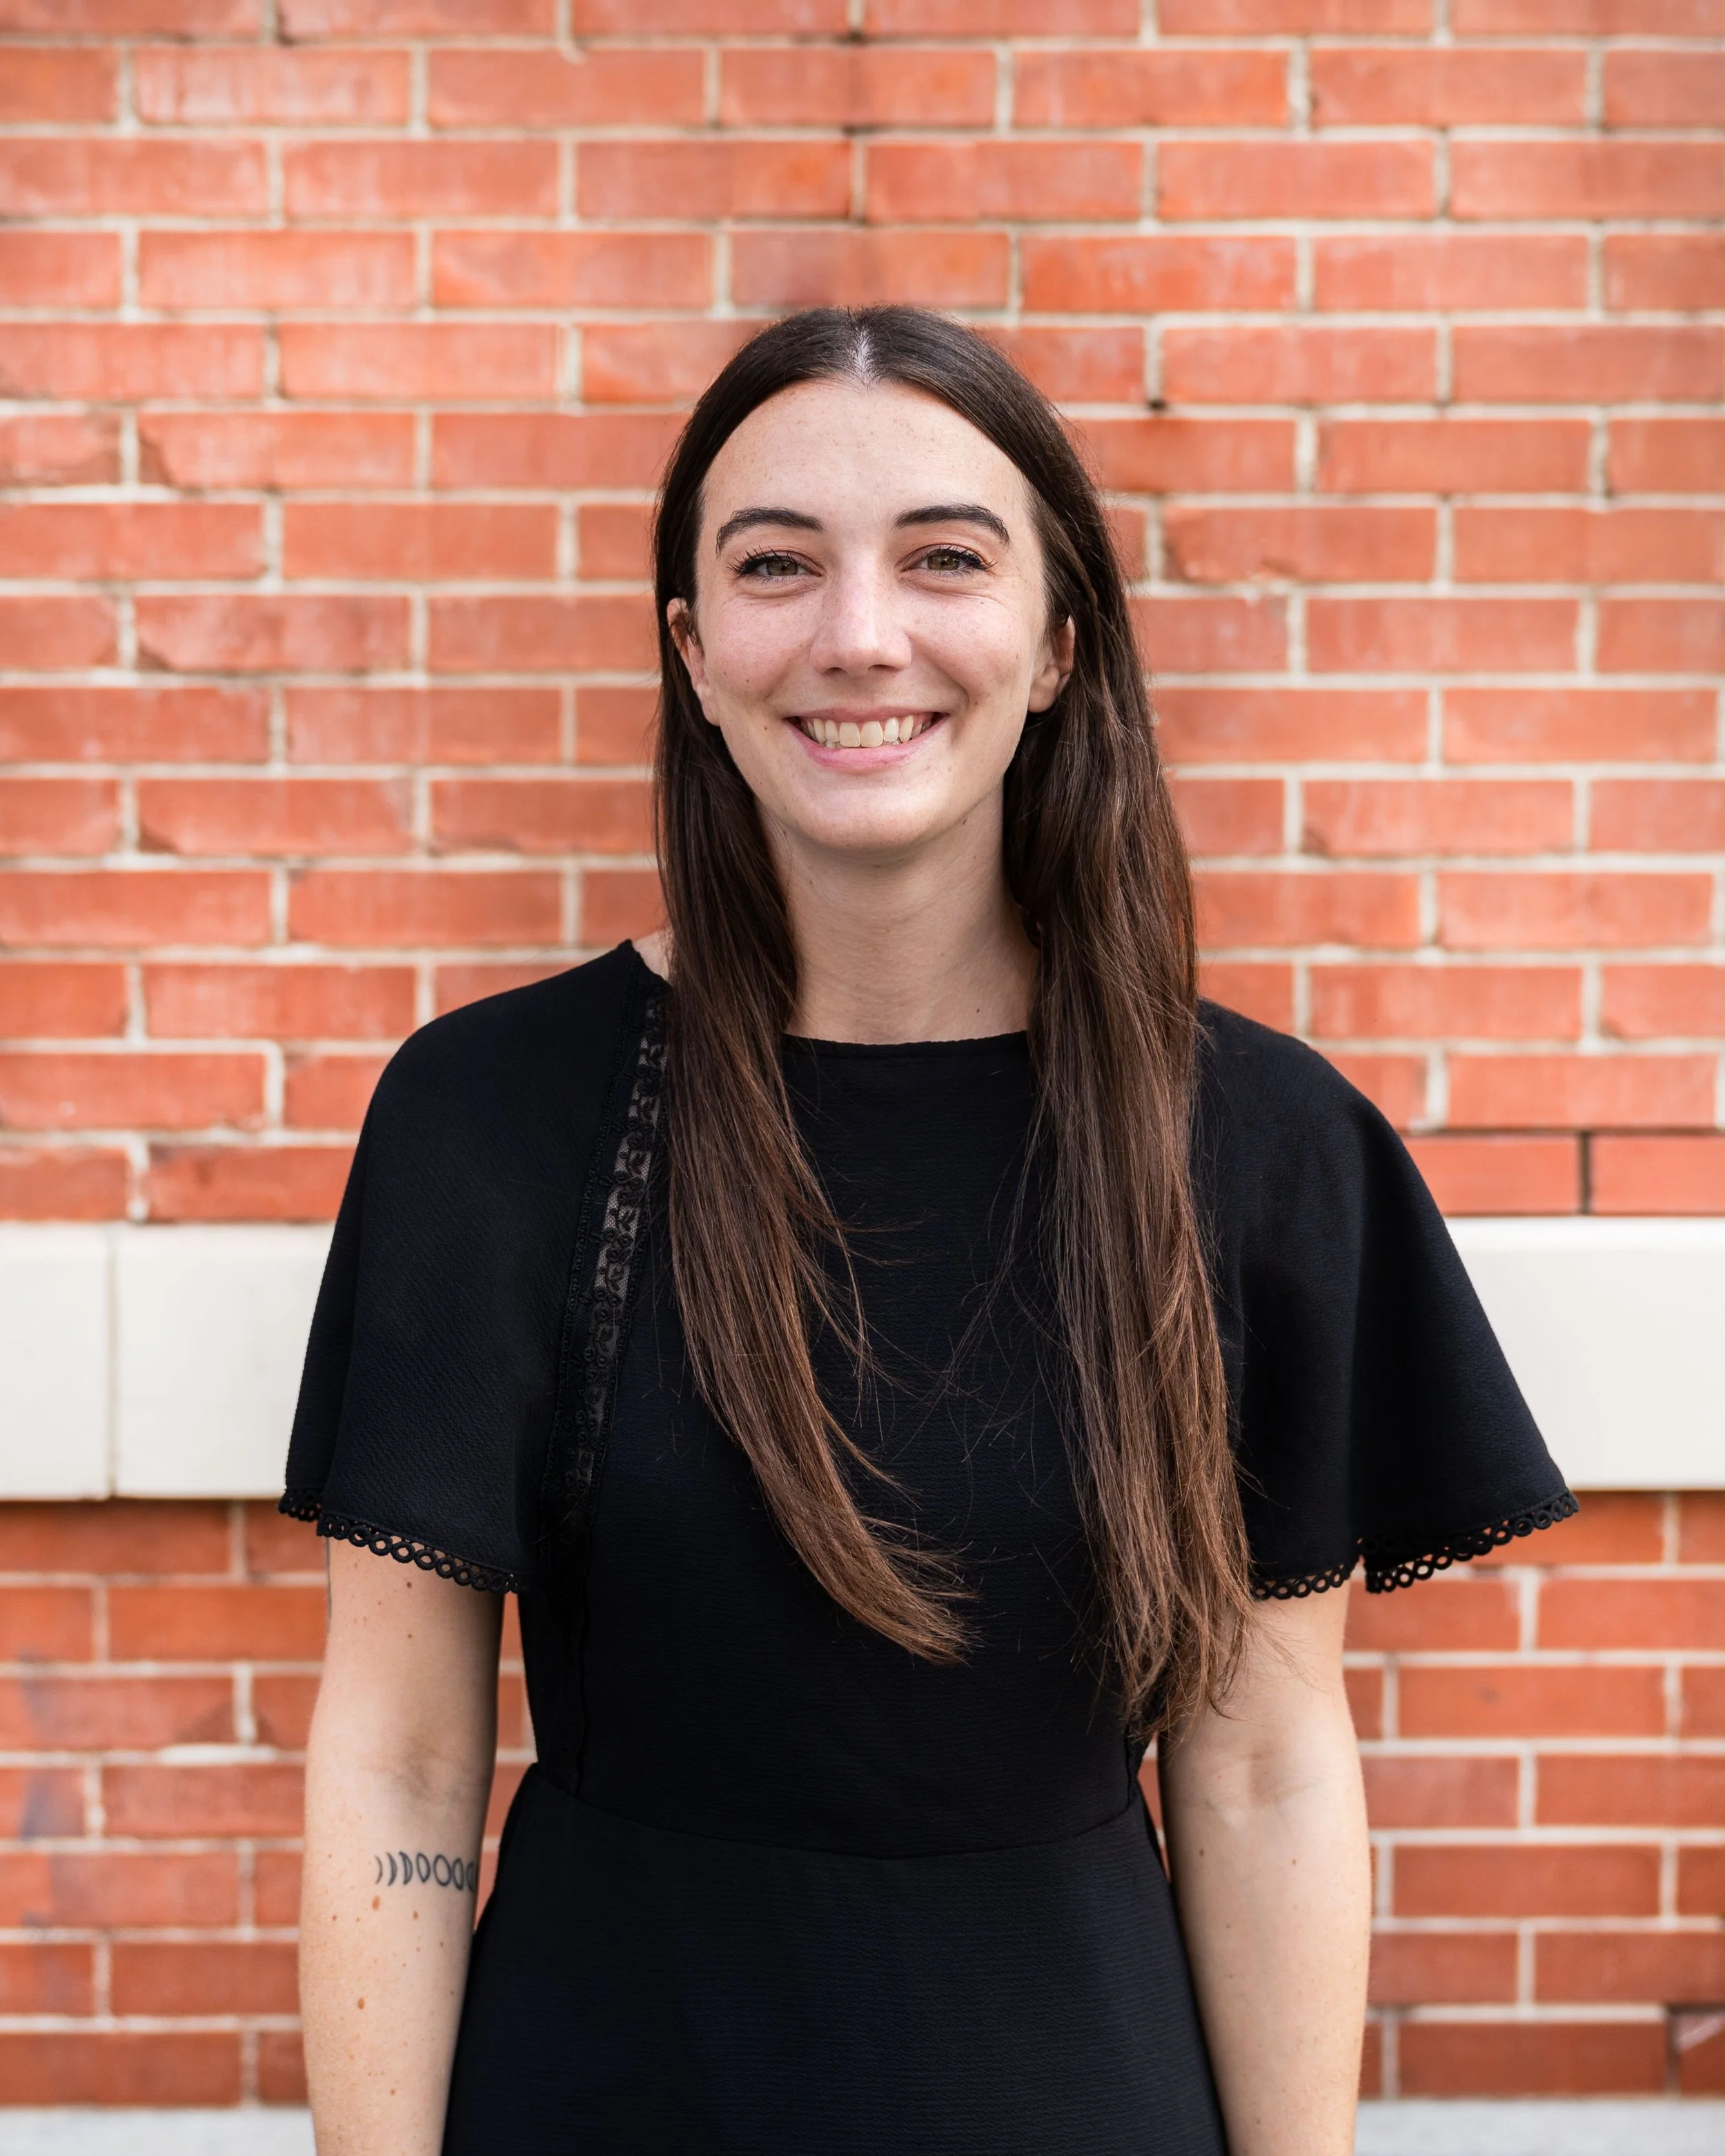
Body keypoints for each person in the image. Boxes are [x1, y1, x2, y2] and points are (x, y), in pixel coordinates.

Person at [284, 307, 1575, 2156]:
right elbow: (400, 1756)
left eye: (943, 559)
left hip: (1075, 2088)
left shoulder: (1259, 1144)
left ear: (1055, 645)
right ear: (694, 651)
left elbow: (1268, 1763)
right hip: (605, 2083)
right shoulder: (487, 1119)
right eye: (775, 567)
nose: (859, 633)